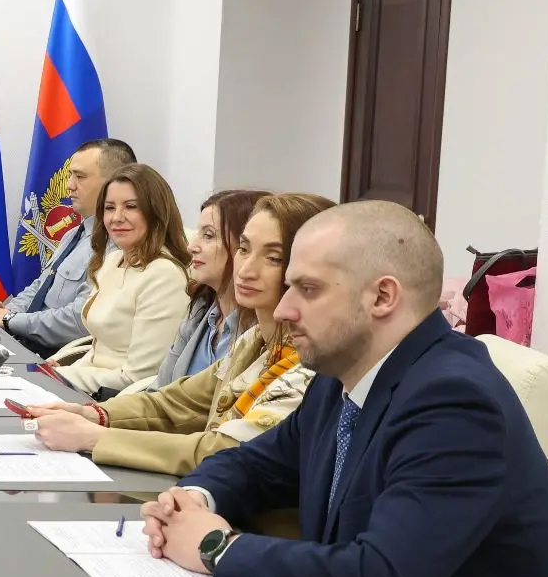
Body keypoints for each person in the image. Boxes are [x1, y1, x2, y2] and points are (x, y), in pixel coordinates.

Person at [142, 200, 548, 577]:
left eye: (308, 289)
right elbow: (256, 464)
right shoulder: (343, 378)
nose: (283, 309)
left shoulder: (454, 401)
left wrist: (216, 548)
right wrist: (194, 499)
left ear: (382, 297)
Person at [24, 192, 334, 476]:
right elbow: (177, 402)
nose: (246, 269)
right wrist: (93, 414)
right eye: (244, 249)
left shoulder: (309, 365)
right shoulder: (255, 341)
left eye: (273, 258)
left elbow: (227, 450)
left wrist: (96, 437)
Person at [0, 138, 135, 355]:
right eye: (70, 175)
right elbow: (39, 288)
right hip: (23, 342)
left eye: (80, 177)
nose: (69, 185)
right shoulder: (74, 234)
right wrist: (2, 312)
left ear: (114, 183)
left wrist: (11, 320)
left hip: (54, 357)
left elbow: (81, 318)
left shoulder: (118, 245)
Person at [53, 162, 192, 396]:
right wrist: (61, 371)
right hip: (86, 386)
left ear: (156, 212)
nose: (116, 218)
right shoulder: (112, 260)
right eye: (109, 208)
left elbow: (137, 377)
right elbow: (101, 350)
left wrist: (64, 376)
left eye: (130, 207)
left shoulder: (164, 275)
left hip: (115, 401)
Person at [157, 189, 264, 388]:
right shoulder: (201, 308)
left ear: (245, 246)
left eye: (208, 235)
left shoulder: (262, 329)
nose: (191, 246)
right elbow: (160, 387)